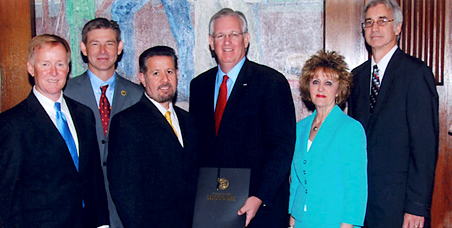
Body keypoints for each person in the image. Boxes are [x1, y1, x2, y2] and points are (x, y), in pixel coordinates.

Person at [189, 8, 296, 228]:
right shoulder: (199, 86)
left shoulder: (271, 83)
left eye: (234, 34)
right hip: (212, 209)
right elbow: (198, 148)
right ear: (211, 42)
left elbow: (283, 148)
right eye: (220, 36)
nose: (227, 42)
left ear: (246, 39)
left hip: (259, 209)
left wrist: (260, 196)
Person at [0, 34, 109, 227]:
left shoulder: (84, 114)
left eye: (60, 64)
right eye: (45, 64)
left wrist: (103, 223)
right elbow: (7, 194)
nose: (54, 72)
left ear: (68, 69)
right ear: (31, 68)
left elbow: (94, 176)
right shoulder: (12, 123)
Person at [348, 0, 439, 227]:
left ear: (397, 28)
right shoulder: (356, 77)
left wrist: (417, 207)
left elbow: (425, 147)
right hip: (362, 204)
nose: (374, 28)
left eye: (382, 21)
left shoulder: (416, 73)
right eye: (369, 22)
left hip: (400, 206)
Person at [64, 17, 144, 228]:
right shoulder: (65, 94)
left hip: (126, 211)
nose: (102, 51)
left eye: (109, 43)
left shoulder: (137, 95)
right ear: (83, 48)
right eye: (94, 44)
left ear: (119, 48)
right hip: (82, 209)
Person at [107, 46, 197, 227]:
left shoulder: (188, 120)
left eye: (169, 71)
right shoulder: (127, 122)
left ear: (177, 74)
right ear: (142, 78)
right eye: (156, 73)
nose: (165, 80)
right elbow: (124, 191)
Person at [288, 50, 367, 228]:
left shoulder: (350, 129)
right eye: (315, 82)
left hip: (334, 220)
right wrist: (292, 220)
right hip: (302, 221)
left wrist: (348, 225)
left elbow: (356, 187)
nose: (321, 88)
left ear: (339, 90)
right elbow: (297, 180)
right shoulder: (299, 128)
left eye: (328, 83)